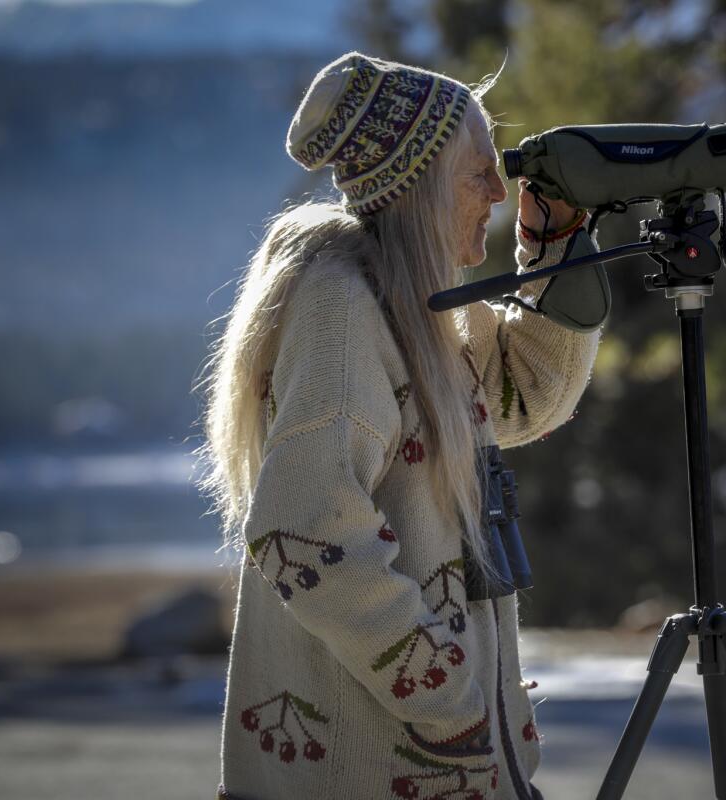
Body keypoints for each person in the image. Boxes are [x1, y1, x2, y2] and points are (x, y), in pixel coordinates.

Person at [196, 51, 602, 800]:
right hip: (377, 768)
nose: (499, 190)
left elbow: (525, 396)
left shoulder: (417, 303)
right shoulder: (345, 312)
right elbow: (306, 529)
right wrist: (448, 706)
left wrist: (555, 249)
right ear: (419, 185)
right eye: (477, 171)